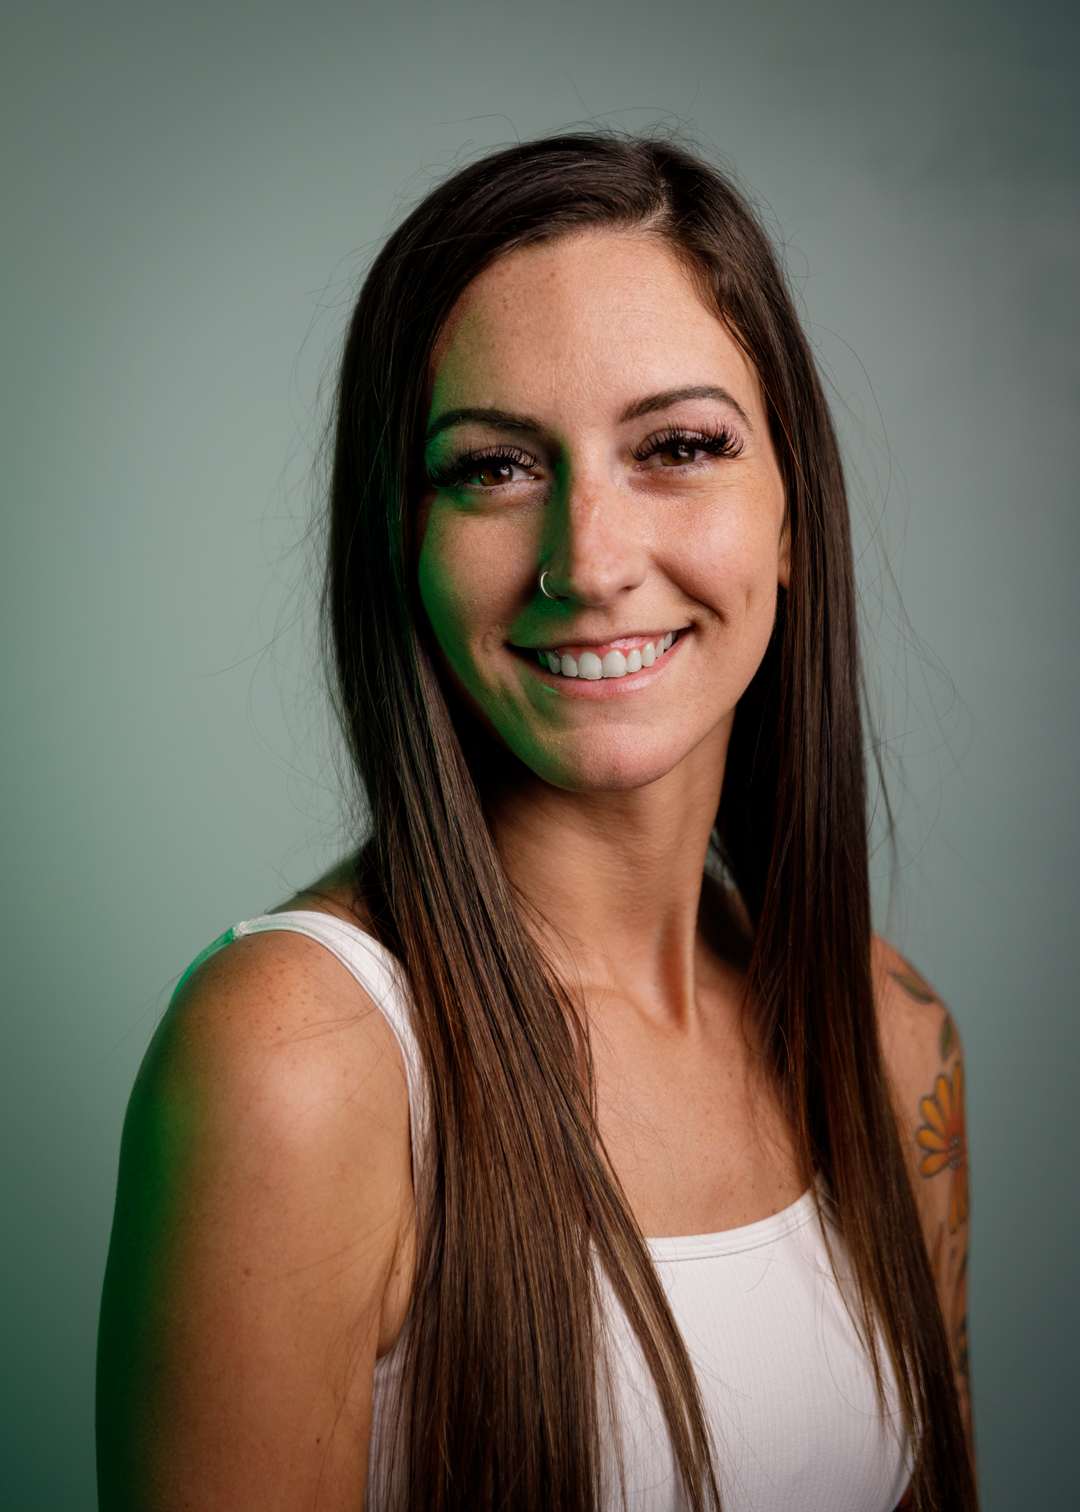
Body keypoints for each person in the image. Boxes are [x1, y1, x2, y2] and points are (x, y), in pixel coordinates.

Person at [96, 135, 976, 1511]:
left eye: (679, 447)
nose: (593, 559)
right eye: (494, 468)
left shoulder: (889, 1032)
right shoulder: (298, 1060)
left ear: (794, 512)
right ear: (402, 539)